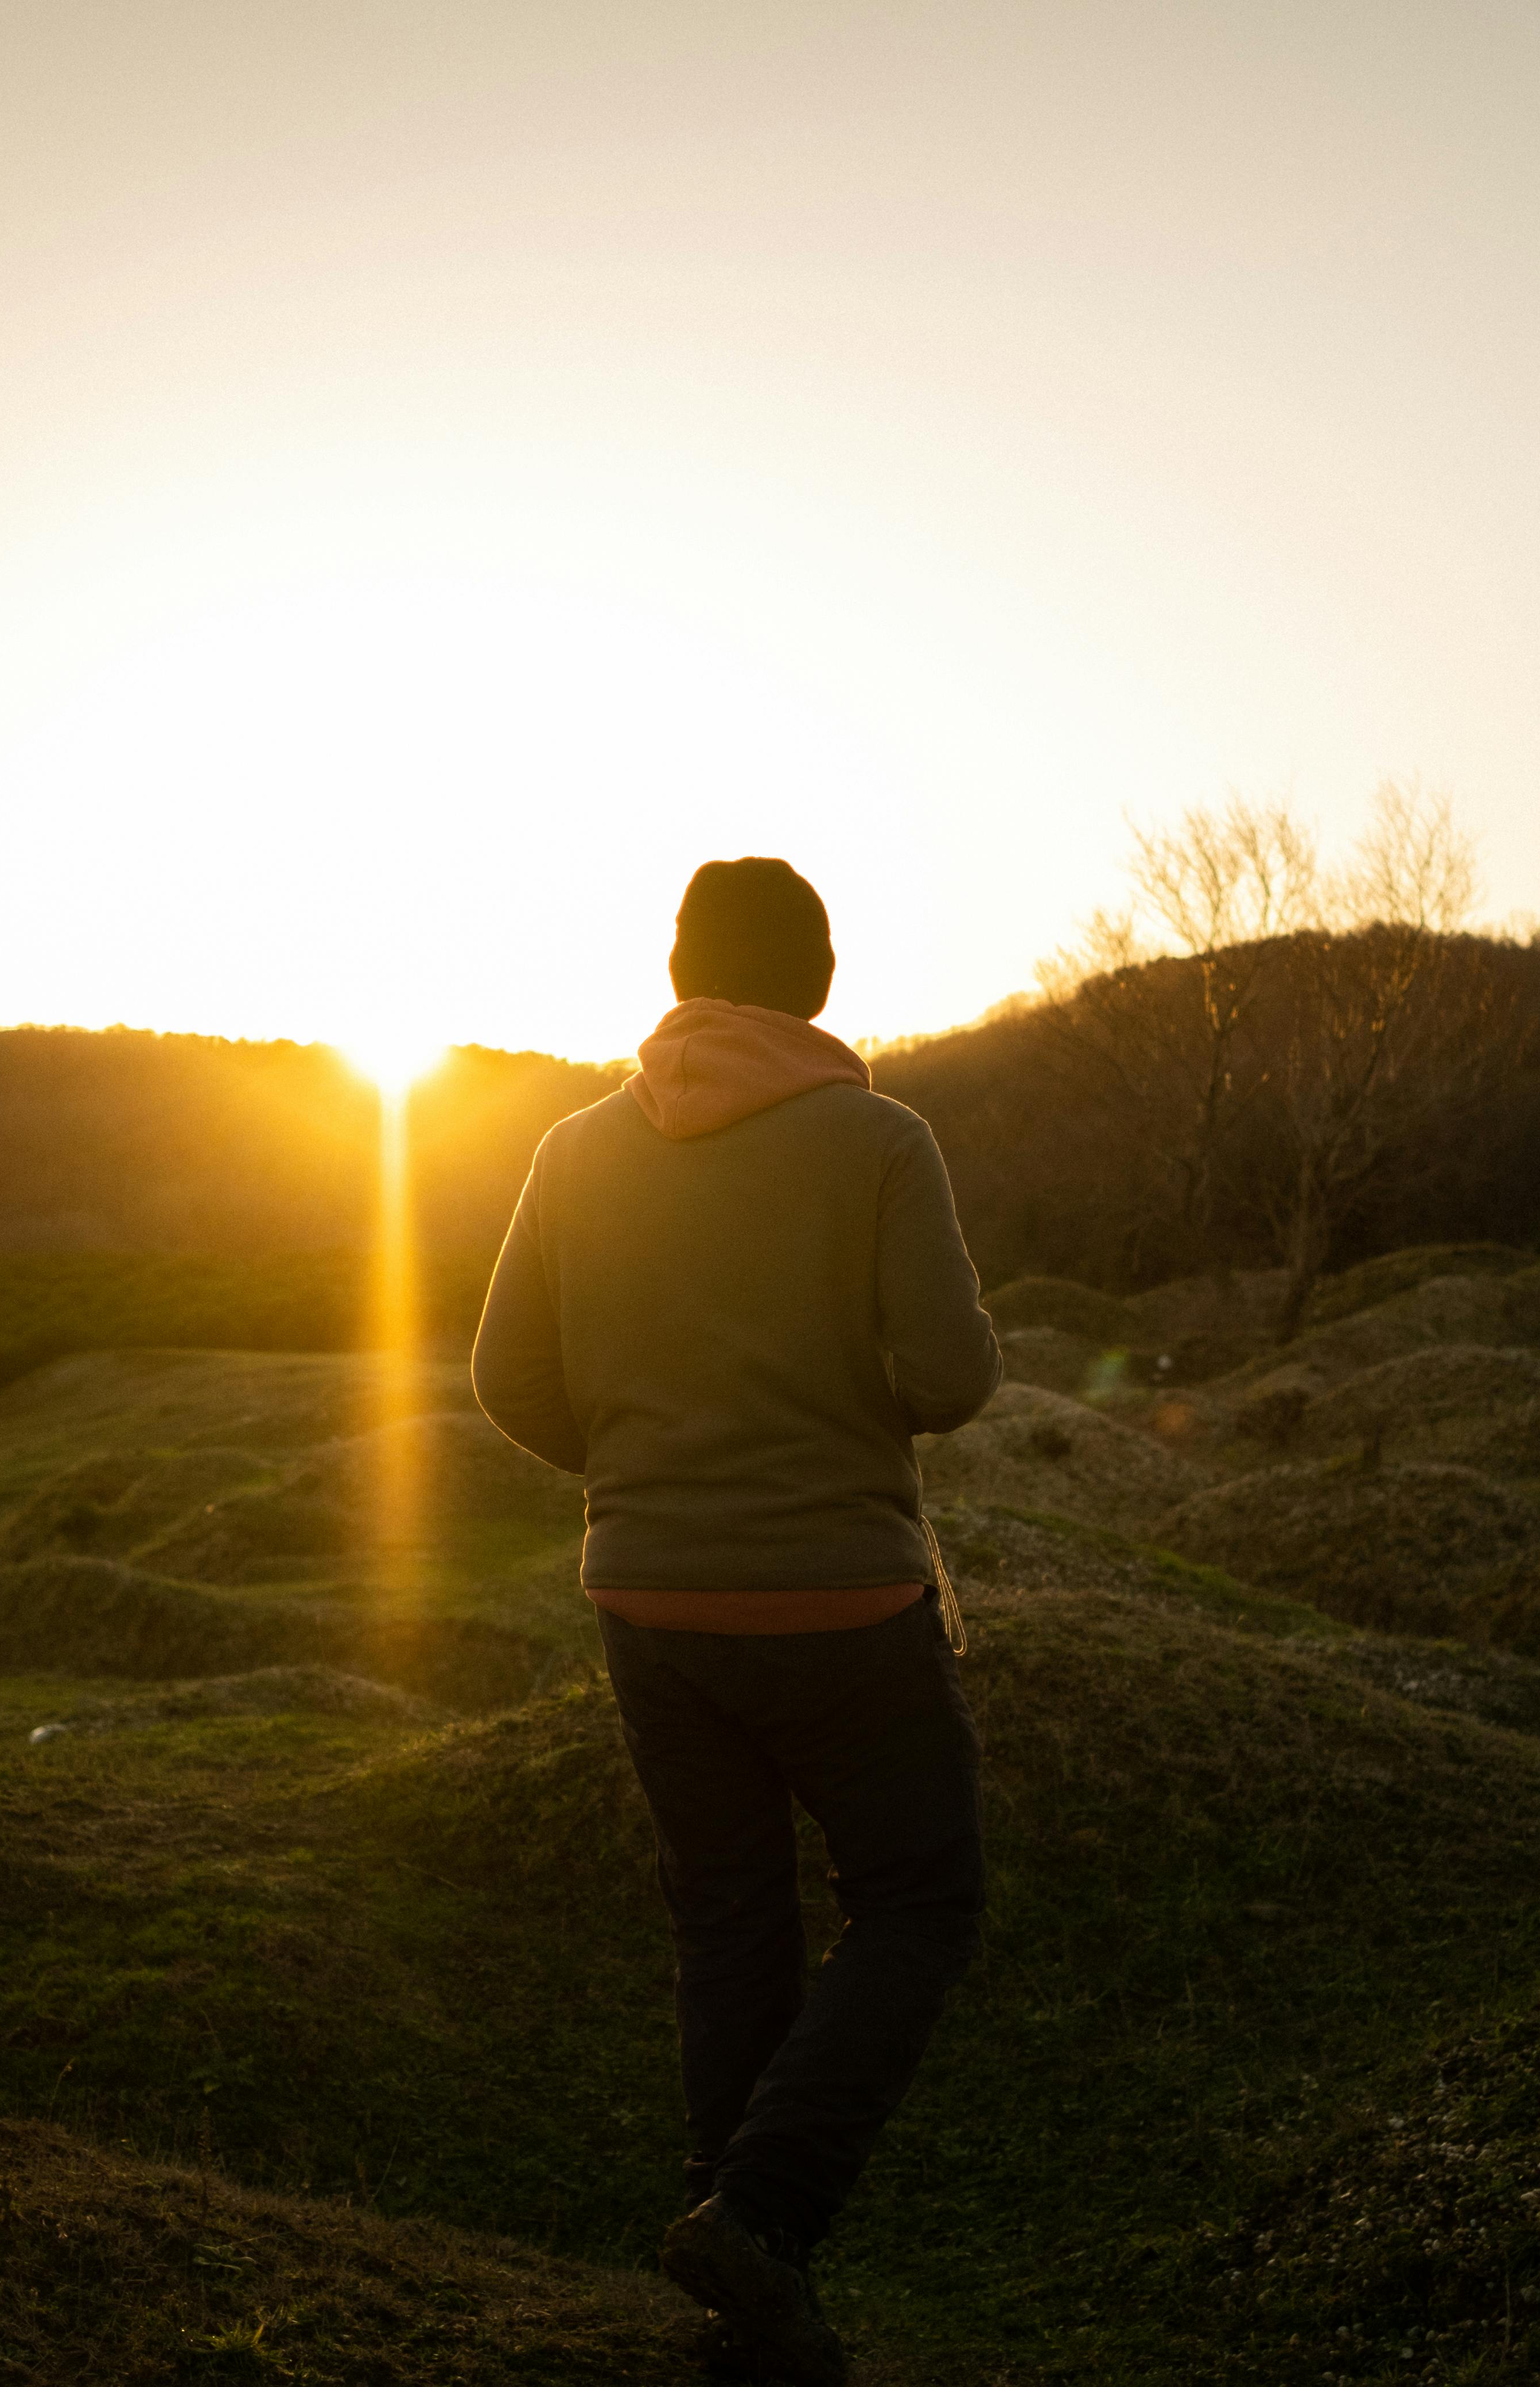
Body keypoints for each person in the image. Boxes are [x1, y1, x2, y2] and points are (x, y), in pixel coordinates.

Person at [471, 857, 1002, 2386]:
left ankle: (738, 2272)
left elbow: (509, 1377)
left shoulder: (573, 1150)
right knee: (922, 1894)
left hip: (648, 1598)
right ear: (821, 982)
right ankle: (762, 2220)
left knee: (729, 1916)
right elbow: (949, 1380)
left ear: (679, 973)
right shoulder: (880, 1141)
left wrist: (645, 1476)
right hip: (842, 1596)